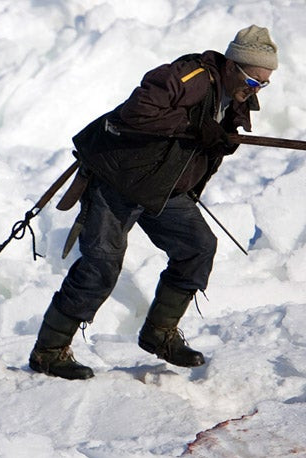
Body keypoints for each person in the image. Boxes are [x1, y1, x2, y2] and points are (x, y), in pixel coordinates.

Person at [29, 25, 278, 380]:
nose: (255, 90)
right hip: (118, 180)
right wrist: (194, 124)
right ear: (232, 65)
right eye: (253, 81)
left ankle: (159, 334)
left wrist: (213, 144)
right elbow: (135, 113)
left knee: (197, 247)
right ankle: (48, 352)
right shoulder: (188, 76)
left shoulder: (235, 96)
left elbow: (201, 145)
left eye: (263, 84)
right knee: (101, 265)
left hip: (163, 188)